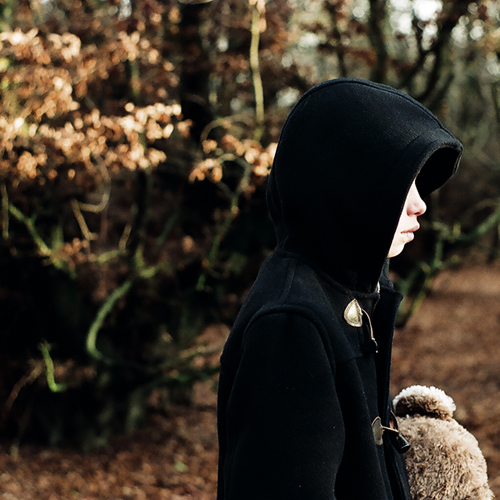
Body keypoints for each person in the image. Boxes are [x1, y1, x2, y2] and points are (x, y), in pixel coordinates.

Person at [216, 78, 463, 499]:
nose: (420, 203)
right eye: (404, 182)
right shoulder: (292, 323)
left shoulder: (345, 292)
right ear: (346, 186)